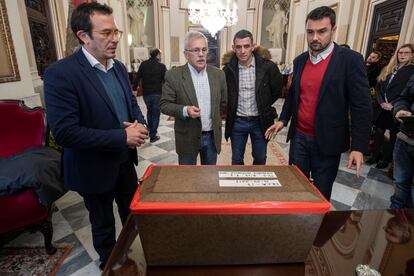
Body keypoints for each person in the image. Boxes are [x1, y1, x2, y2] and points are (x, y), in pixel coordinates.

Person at [43, 2, 148, 270]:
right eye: (105, 33)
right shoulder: (61, 73)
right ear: (83, 36)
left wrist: (141, 124)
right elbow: (65, 132)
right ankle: (110, 265)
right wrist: (121, 137)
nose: (114, 39)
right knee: (103, 225)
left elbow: (132, 106)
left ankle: (134, 258)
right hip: (93, 167)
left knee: (132, 216)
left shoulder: (120, 68)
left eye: (116, 32)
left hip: (125, 163)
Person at [265, 6, 372, 200]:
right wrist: (283, 121)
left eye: (321, 31)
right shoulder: (300, 61)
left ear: (333, 30)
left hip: (328, 140)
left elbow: (362, 107)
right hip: (299, 139)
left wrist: (358, 146)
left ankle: (318, 228)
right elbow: (293, 96)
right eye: (310, 32)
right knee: (296, 188)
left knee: (321, 193)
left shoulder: (350, 60)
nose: (315, 37)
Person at [160, 31, 227, 165]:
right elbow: (164, 105)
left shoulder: (218, 74)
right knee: (186, 179)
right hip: (187, 136)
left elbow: (223, 103)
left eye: (204, 50)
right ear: (186, 54)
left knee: (208, 179)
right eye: (196, 50)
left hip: (211, 137)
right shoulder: (174, 75)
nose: (201, 54)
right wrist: (185, 110)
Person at [222, 30, 282, 165]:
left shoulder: (268, 67)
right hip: (237, 121)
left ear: (253, 46)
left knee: (260, 158)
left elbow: (276, 90)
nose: (242, 51)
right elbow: (225, 94)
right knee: (237, 159)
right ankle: (239, 186)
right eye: (238, 47)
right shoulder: (228, 70)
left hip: (260, 122)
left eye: (246, 46)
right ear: (233, 48)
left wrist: (263, 103)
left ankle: (256, 186)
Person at [366, 44, 414, 169]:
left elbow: (406, 93)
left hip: (396, 108)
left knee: (393, 134)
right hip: (382, 107)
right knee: (379, 132)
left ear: (412, 55)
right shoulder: (389, 69)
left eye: (406, 53)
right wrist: (381, 102)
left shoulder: (411, 71)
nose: (402, 55)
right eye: (400, 53)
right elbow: (378, 87)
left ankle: (386, 159)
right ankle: (375, 156)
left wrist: (392, 104)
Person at [390, 72, 414, 208]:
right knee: (400, 184)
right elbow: (403, 98)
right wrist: (400, 109)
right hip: (405, 139)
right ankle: (395, 218)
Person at [133, 48, 167, 142]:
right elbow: (166, 80)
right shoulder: (161, 66)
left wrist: (134, 88)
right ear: (157, 56)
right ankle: (153, 134)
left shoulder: (143, 64)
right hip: (157, 93)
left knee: (149, 111)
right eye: (160, 55)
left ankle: (150, 130)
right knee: (155, 114)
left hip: (146, 93)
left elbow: (138, 77)